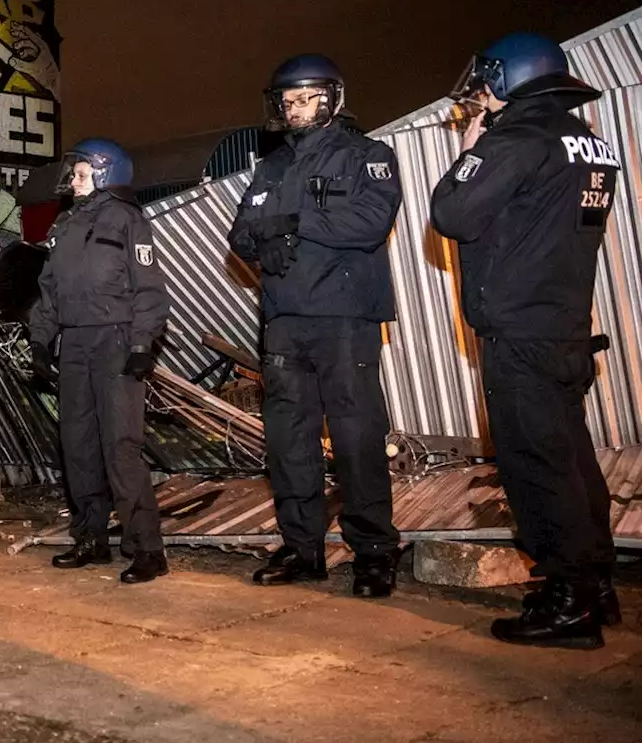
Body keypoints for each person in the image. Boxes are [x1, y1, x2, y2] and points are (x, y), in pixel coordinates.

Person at [431, 33, 619, 650]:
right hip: (563, 322)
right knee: (572, 459)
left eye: (486, 86)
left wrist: (470, 151)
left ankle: (571, 606)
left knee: (536, 466)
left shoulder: (515, 139)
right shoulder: (583, 139)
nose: (479, 99)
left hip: (519, 329)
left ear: (510, 80)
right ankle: (594, 584)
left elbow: (452, 215)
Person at [228, 54, 402, 597]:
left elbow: (372, 220)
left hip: (344, 316)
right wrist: (265, 241)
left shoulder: (367, 155)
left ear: (331, 100)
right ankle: (302, 549)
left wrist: (294, 225)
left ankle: (375, 551)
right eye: (288, 100)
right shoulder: (272, 166)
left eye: (305, 98)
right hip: (283, 322)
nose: (295, 108)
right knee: (288, 441)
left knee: (356, 437)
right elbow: (241, 234)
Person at [29, 138, 171, 585]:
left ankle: (146, 548)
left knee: (120, 447)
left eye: (81, 172)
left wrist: (142, 345)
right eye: (73, 173)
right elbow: (49, 289)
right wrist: (40, 340)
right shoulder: (66, 225)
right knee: (78, 445)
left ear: (106, 173)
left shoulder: (128, 221)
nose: (73, 180)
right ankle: (90, 538)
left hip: (115, 342)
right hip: (74, 344)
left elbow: (148, 287)